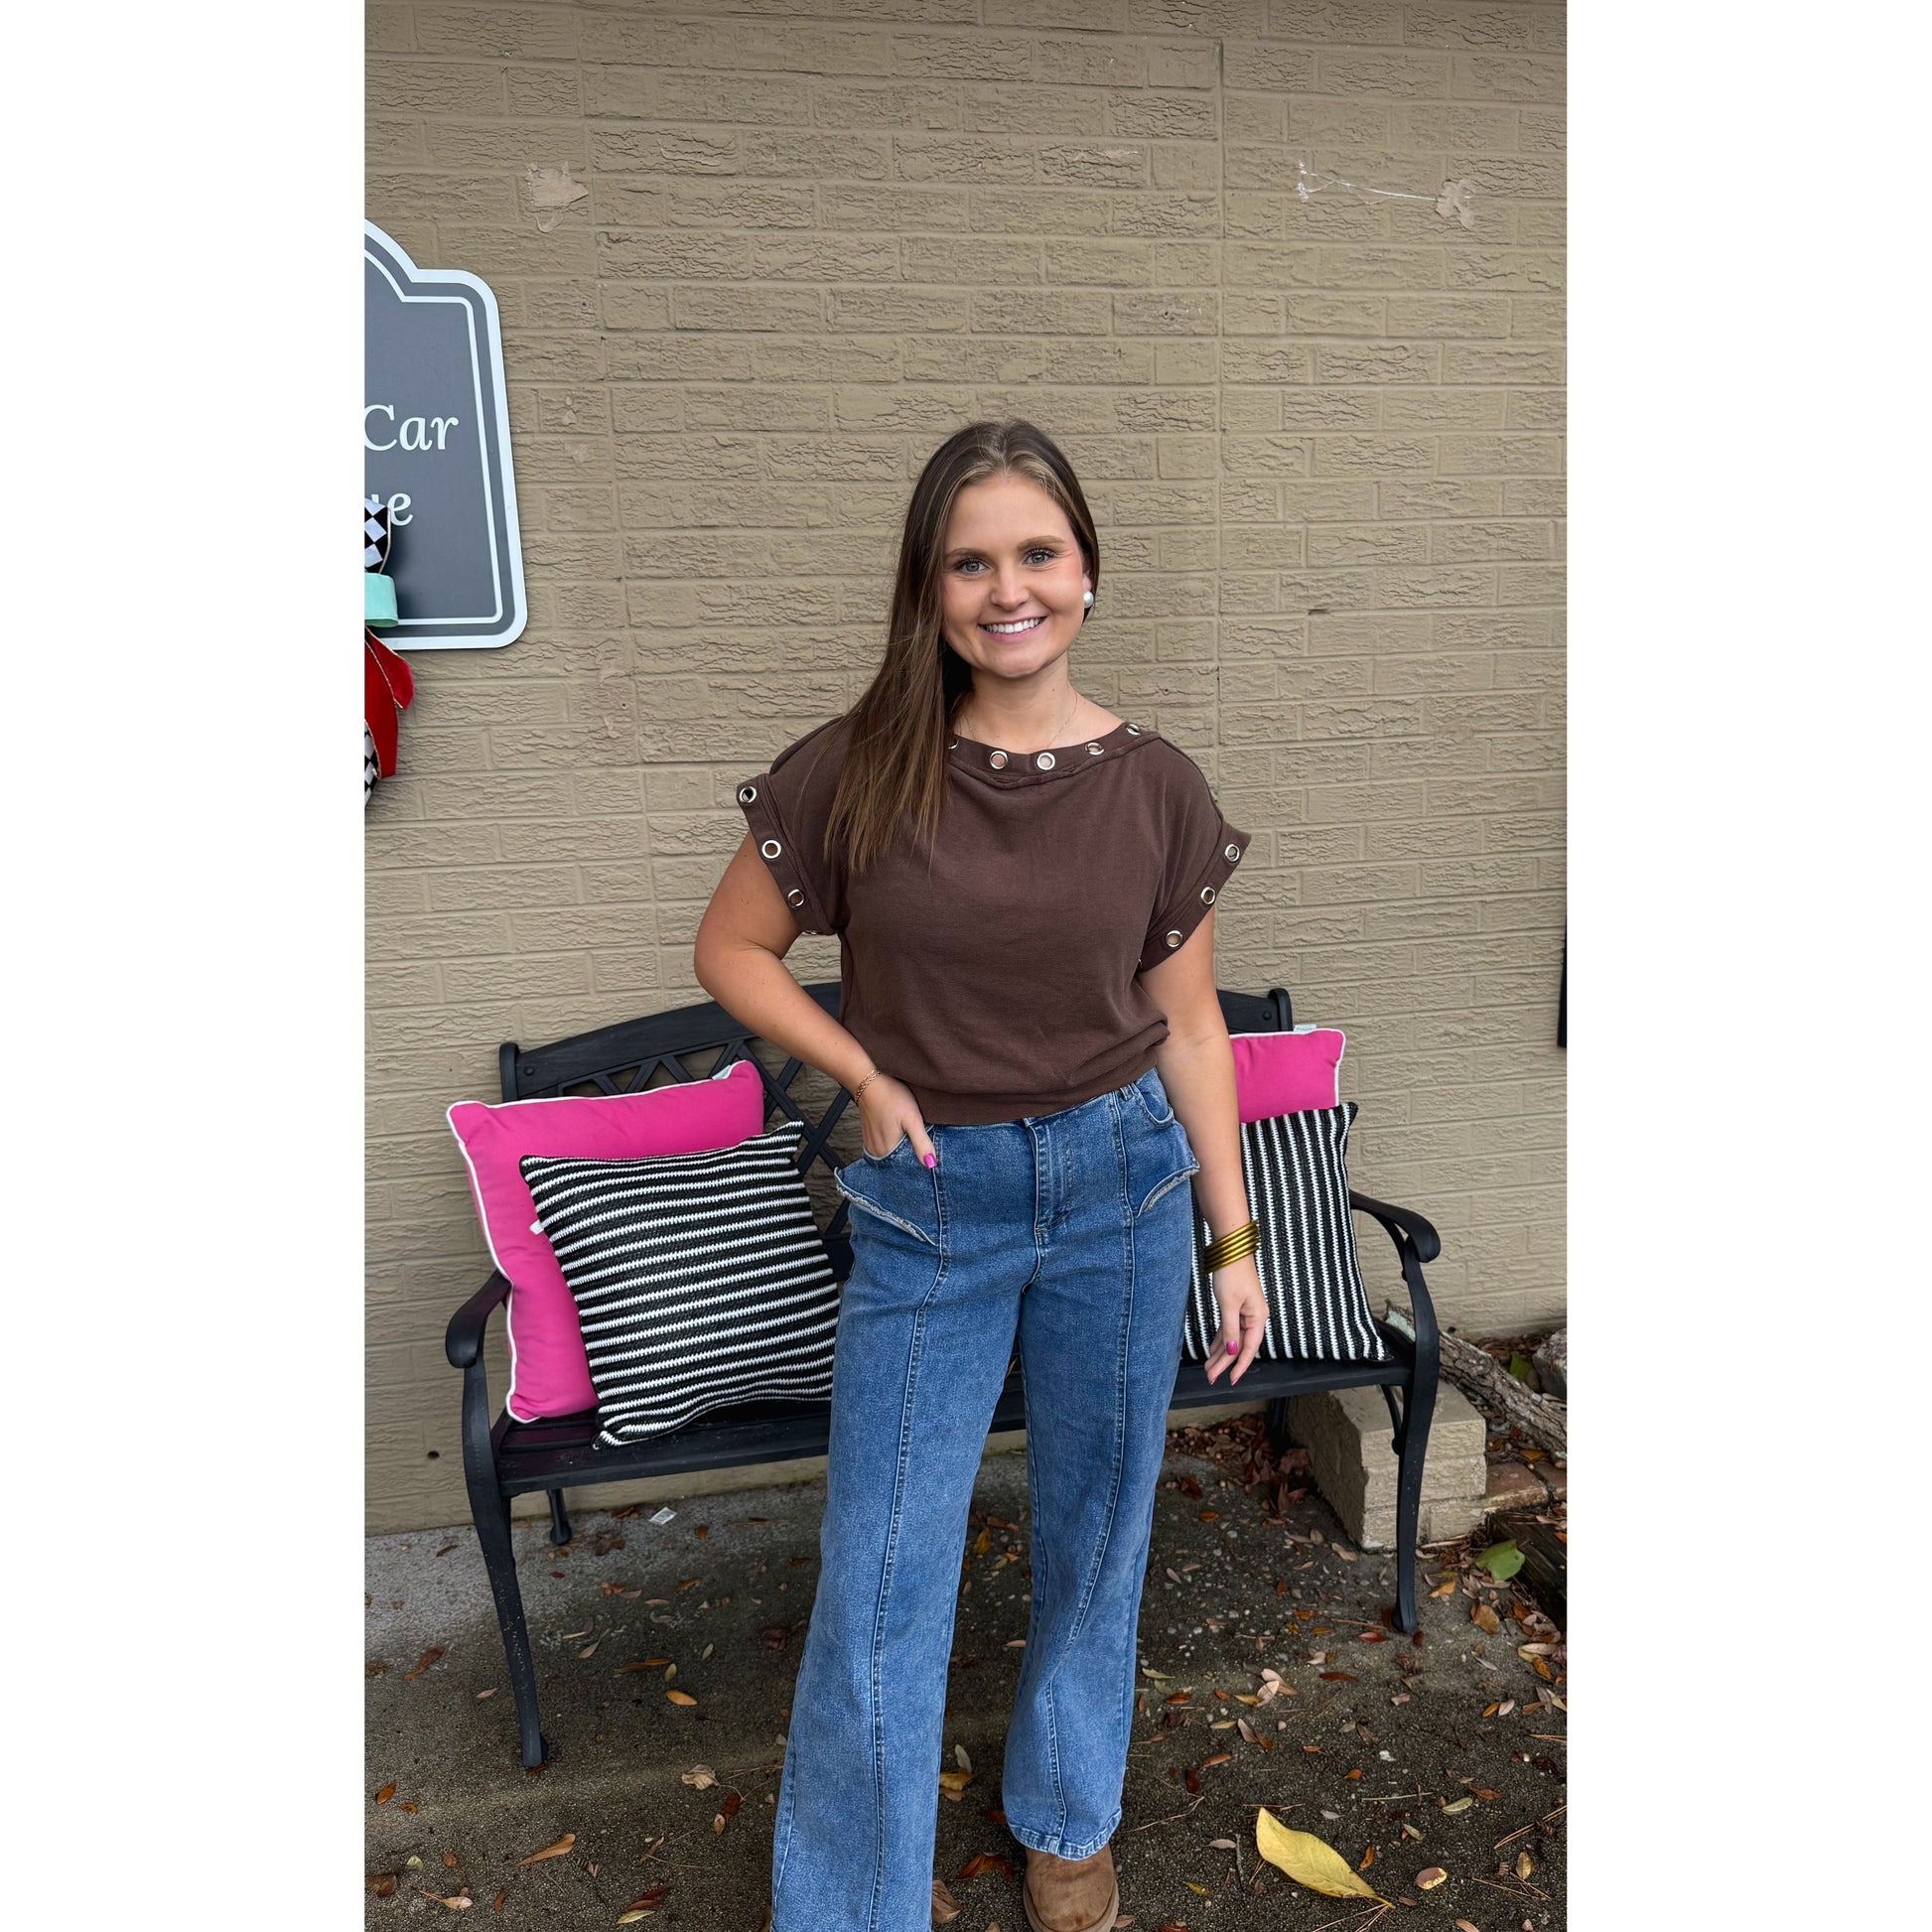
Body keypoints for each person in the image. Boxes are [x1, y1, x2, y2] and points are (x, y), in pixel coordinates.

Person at [693, 419, 1267, 1932]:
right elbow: (730, 948)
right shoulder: (854, 768)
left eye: (1036, 553)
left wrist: (1233, 1238)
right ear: (928, 586)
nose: (1007, 588)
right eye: (969, 562)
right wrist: (863, 1071)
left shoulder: (1155, 786)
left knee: (1099, 1524)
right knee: (884, 1563)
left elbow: (1188, 1022)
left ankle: (1066, 1817)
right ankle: (853, 1902)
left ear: (1084, 570)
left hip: (1122, 1193)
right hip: (932, 1202)